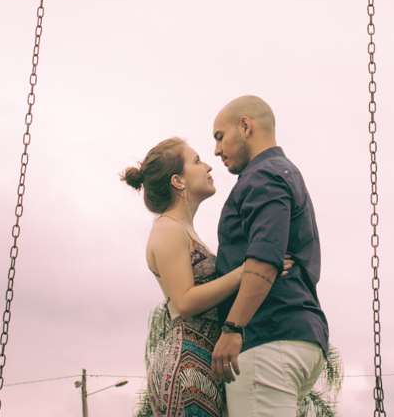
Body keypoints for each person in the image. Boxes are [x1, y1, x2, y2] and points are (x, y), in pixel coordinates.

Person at [210, 96, 329, 417]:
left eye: (220, 136)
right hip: (297, 335)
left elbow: (265, 259)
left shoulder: (262, 176)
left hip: (268, 339)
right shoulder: (285, 172)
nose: (216, 150)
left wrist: (233, 329)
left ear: (245, 126)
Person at [121, 137, 246, 417]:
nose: (208, 166)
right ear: (178, 181)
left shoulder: (183, 229)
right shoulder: (167, 229)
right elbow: (185, 301)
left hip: (201, 364)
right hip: (186, 370)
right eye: (197, 161)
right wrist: (247, 272)